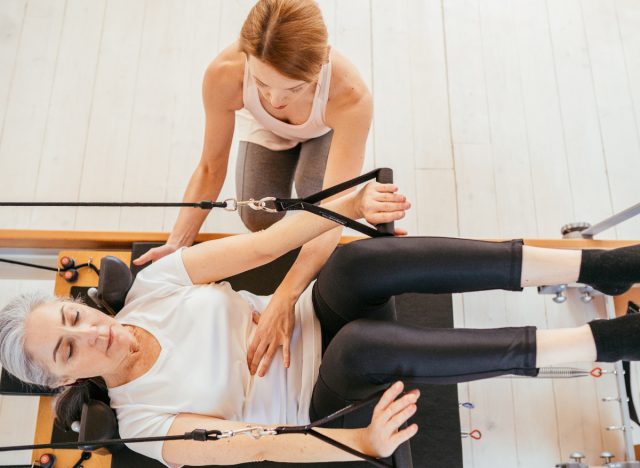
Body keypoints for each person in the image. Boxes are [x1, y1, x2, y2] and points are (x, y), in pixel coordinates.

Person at [1, 181, 640, 467]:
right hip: (319, 399)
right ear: (66, 378)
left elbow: (268, 246)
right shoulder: (142, 425)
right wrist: (360, 446)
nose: (89, 335)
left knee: (354, 262)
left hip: (308, 316)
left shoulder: (152, 287)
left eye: (72, 317)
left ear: (81, 302)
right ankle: (608, 342)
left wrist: (346, 206)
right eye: (66, 350)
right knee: (359, 349)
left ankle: (600, 265)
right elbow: (256, 444)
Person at [133, 0, 375, 381]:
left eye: (292, 88)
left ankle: (302, 232)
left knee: (314, 206)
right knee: (257, 217)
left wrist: (286, 297)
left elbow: (334, 212)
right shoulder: (224, 73)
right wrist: (179, 243)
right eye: (262, 83)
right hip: (267, 133)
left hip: (321, 129)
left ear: (322, 63)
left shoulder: (350, 95)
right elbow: (210, 166)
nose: (276, 100)